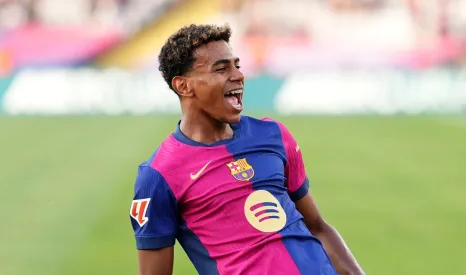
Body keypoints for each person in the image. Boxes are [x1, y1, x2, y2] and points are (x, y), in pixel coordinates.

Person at [129, 23, 365, 275]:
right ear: (183, 86)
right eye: (221, 68)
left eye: (237, 66)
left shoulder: (274, 135)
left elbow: (317, 227)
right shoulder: (159, 175)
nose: (238, 75)